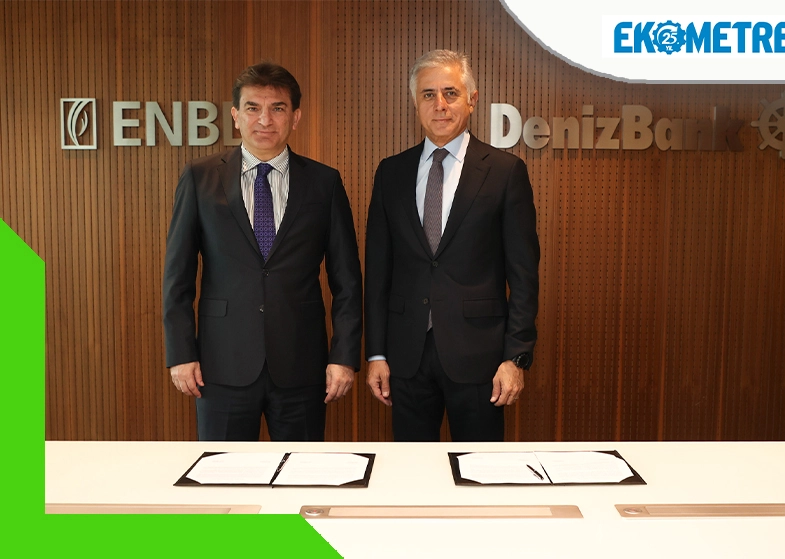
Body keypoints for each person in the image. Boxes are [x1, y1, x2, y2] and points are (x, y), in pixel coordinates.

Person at [163, 62, 362, 441]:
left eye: (278, 108)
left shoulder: (324, 182)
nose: (265, 120)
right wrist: (181, 353)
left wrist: (343, 357)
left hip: (302, 366)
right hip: (220, 366)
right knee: (224, 474)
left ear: (295, 117)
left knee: (301, 472)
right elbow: (177, 277)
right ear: (236, 116)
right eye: (253, 108)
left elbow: (348, 281)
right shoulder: (200, 177)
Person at [364, 50, 540, 442]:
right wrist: (376, 353)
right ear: (415, 103)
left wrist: (515, 357)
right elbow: (377, 272)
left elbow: (524, 276)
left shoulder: (505, 172)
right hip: (405, 357)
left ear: (472, 100)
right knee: (412, 470)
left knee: (478, 470)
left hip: (480, 358)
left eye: (450, 93)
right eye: (428, 95)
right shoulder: (391, 172)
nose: (439, 105)